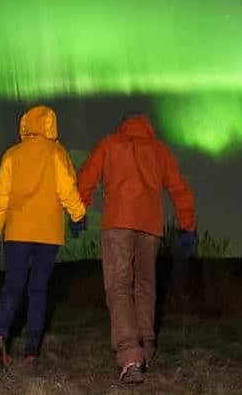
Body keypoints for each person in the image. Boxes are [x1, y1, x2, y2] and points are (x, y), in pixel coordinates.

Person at [77, 111, 195, 383]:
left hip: (118, 221)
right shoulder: (158, 149)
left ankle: (130, 357)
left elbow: (87, 179)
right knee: (145, 284)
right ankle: (146, 345)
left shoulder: (109, 144)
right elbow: (179, 188)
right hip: (150, 226)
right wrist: (186, 226)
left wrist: (79, 212)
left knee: (118, 285)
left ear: (123, 127)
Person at [0, 105, 87, 367]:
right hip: (48, 234)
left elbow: (0, 196)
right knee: (38, 290)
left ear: (25, 124)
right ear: (50, 125)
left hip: (17, 231)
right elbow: (67, 189)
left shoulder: (12, 155)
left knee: (12, 286)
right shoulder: (57, 153)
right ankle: (31, 353)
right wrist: (78, 215)